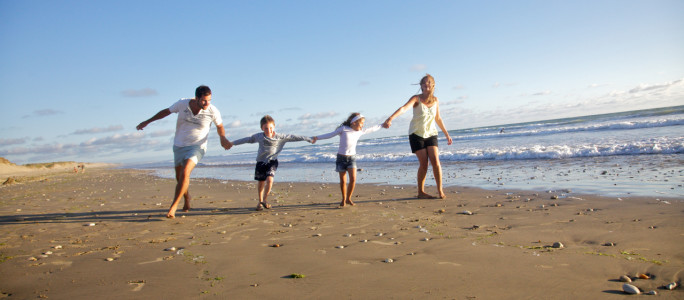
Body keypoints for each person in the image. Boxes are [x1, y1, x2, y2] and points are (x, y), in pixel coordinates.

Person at [136, 85, 231, 218]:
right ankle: (187, 198)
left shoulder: (212, 111)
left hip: (198, 146)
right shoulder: (182, 104)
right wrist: (147, 121)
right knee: (180, 177)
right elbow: (166, 112)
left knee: (186, 171)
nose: (207, 103)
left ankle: (173, 207)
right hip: (179, 145)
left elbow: (220, 126)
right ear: (196, 98)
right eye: (204, 100)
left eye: (209, 100)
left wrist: (223, 138)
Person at [383, 74, 453, 199]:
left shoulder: (436, 100)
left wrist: (447, 134)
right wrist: (390, 118)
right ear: (421, 86)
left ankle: (440, 191)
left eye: (429, 82)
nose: (427, 85)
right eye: (424, 83)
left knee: (436, 161)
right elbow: (404, 108)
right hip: (416, 134)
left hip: (431, 133)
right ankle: (421, 192)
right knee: (424, 163)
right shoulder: (416, 99)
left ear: (433, 85)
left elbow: (438, 118)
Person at [229, 115, 315, 211]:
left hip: (272, 162)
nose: (268, 130)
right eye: (266, 128)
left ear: (274, 127)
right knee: (261, 182)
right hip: (260, 162)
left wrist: (308, 139)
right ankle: (260, 201)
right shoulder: (259, 136)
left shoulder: (280, 137)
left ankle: (265, 199)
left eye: (270, 128)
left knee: (269, 180)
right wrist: (232, 143)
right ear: (262, 128)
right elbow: (247, 139)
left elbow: (294, 137)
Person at [315, 113, 384, 207]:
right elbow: (330, 135)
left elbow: (372, 129)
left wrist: (382, 125)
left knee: (353, 179)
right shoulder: (343, 129)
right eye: (361, 123)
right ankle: (343, 199)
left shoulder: (360, 131)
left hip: (352, 158)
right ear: (354, 122)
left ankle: (348, 198)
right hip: (341, 158)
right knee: (343, 181)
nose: (363, 125)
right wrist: (317, 138)